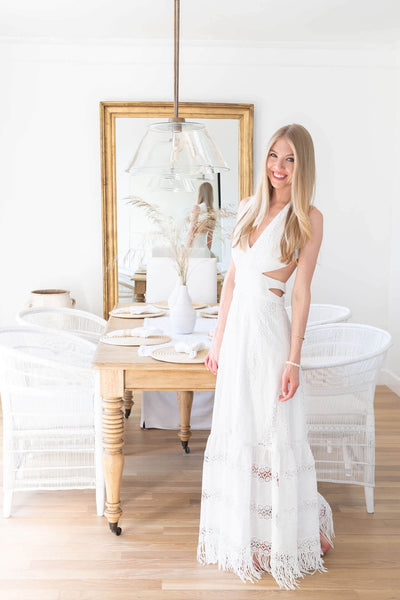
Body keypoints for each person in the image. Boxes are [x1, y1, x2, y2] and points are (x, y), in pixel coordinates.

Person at [197, 124, 334, 590]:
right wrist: (217, 340)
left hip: (271, 334)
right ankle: (248, 536)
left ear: (303, 166)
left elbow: (301, 294)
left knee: (271, 431)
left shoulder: (308, 218)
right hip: (237, 337)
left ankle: (283, 534)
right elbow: (231, 281)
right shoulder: (247, 207)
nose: (278, 166)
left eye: (290, 159)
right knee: (241, 426)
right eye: (274, 156)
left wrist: (294, 359)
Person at [187, 181, 216, 253]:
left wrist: (186, 249)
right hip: (204, 249)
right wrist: (208, 252)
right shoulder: (212, 212)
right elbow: (210, 237)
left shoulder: (197, 208)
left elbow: (191, 231)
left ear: (200, 193)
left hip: (194, 249)